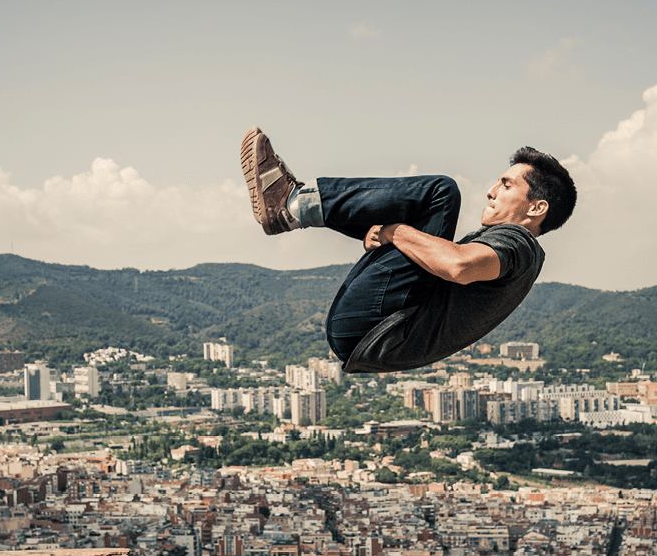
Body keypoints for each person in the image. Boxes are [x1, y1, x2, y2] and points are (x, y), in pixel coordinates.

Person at [240, 126, 577, 374]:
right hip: (369, 336)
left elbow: (459, 266)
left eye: (506, 185)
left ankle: (293, 204)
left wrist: (395, 231)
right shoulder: (515, 249)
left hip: (377, 330)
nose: (491, 191)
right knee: (418, 211)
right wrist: (388, 233)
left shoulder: (518, 244)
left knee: (440, 193)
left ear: (537, 209)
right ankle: (294, 210)